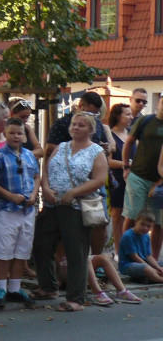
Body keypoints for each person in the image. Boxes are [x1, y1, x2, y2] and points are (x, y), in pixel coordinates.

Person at [34, 111, 109, 312]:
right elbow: (46, 170)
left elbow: (99, 180)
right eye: (74, 124)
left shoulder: (96, 152)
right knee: (42, 244)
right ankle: (48, 286)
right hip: (52, 205)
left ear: (91, 130)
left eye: (81, 125)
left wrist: (74, 192)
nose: (76, 127)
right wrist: (46, 188)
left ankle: (76, 298)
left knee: (76, 252)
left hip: (76, 208)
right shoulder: (61, 147)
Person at [0, 117, 39, 308]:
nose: (16, 136)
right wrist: (9, 195)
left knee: (21, 250)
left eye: (19, 133)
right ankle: (1, 287)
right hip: (6, 209)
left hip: (26, 210)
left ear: (24, 136)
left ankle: (15, 287)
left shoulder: (29, 155)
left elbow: (36, 176)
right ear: (5, 133)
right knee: (4, 250)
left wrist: (34, 195)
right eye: (12, 133)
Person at [122, 95, 163, 259]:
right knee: (133, 216)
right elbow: (129, 142)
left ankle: (152, 258)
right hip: (138, 176)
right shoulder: (146, 121)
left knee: (158, 223)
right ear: (159, 103)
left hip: (160, 182)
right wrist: (126, 166)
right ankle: (124, 255)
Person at [107, 103, 132, 254]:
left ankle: (128, 249)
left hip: (132, 178)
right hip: (116, 179)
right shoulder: (110, 135)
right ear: (117, 116)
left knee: (130, 216)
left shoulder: (131, 134)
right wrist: (126, 164)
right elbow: (108, 161)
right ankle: (117, 250)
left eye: (130, 114)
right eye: (127, 114)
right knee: (117, 215)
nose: (130, 117)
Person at [118, 211, 163, 284]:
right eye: (142, 224)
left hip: (143, 262)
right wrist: (152, 269)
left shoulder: (146, 236)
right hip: (128, 265)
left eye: (148, 226)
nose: (145, 228)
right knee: (147, 269)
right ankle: (158, 279)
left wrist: (157, 267)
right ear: (136, 222)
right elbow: (134, 257)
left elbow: (148, 256)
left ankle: (150, 277)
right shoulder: (128, 236)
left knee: (158, 265)